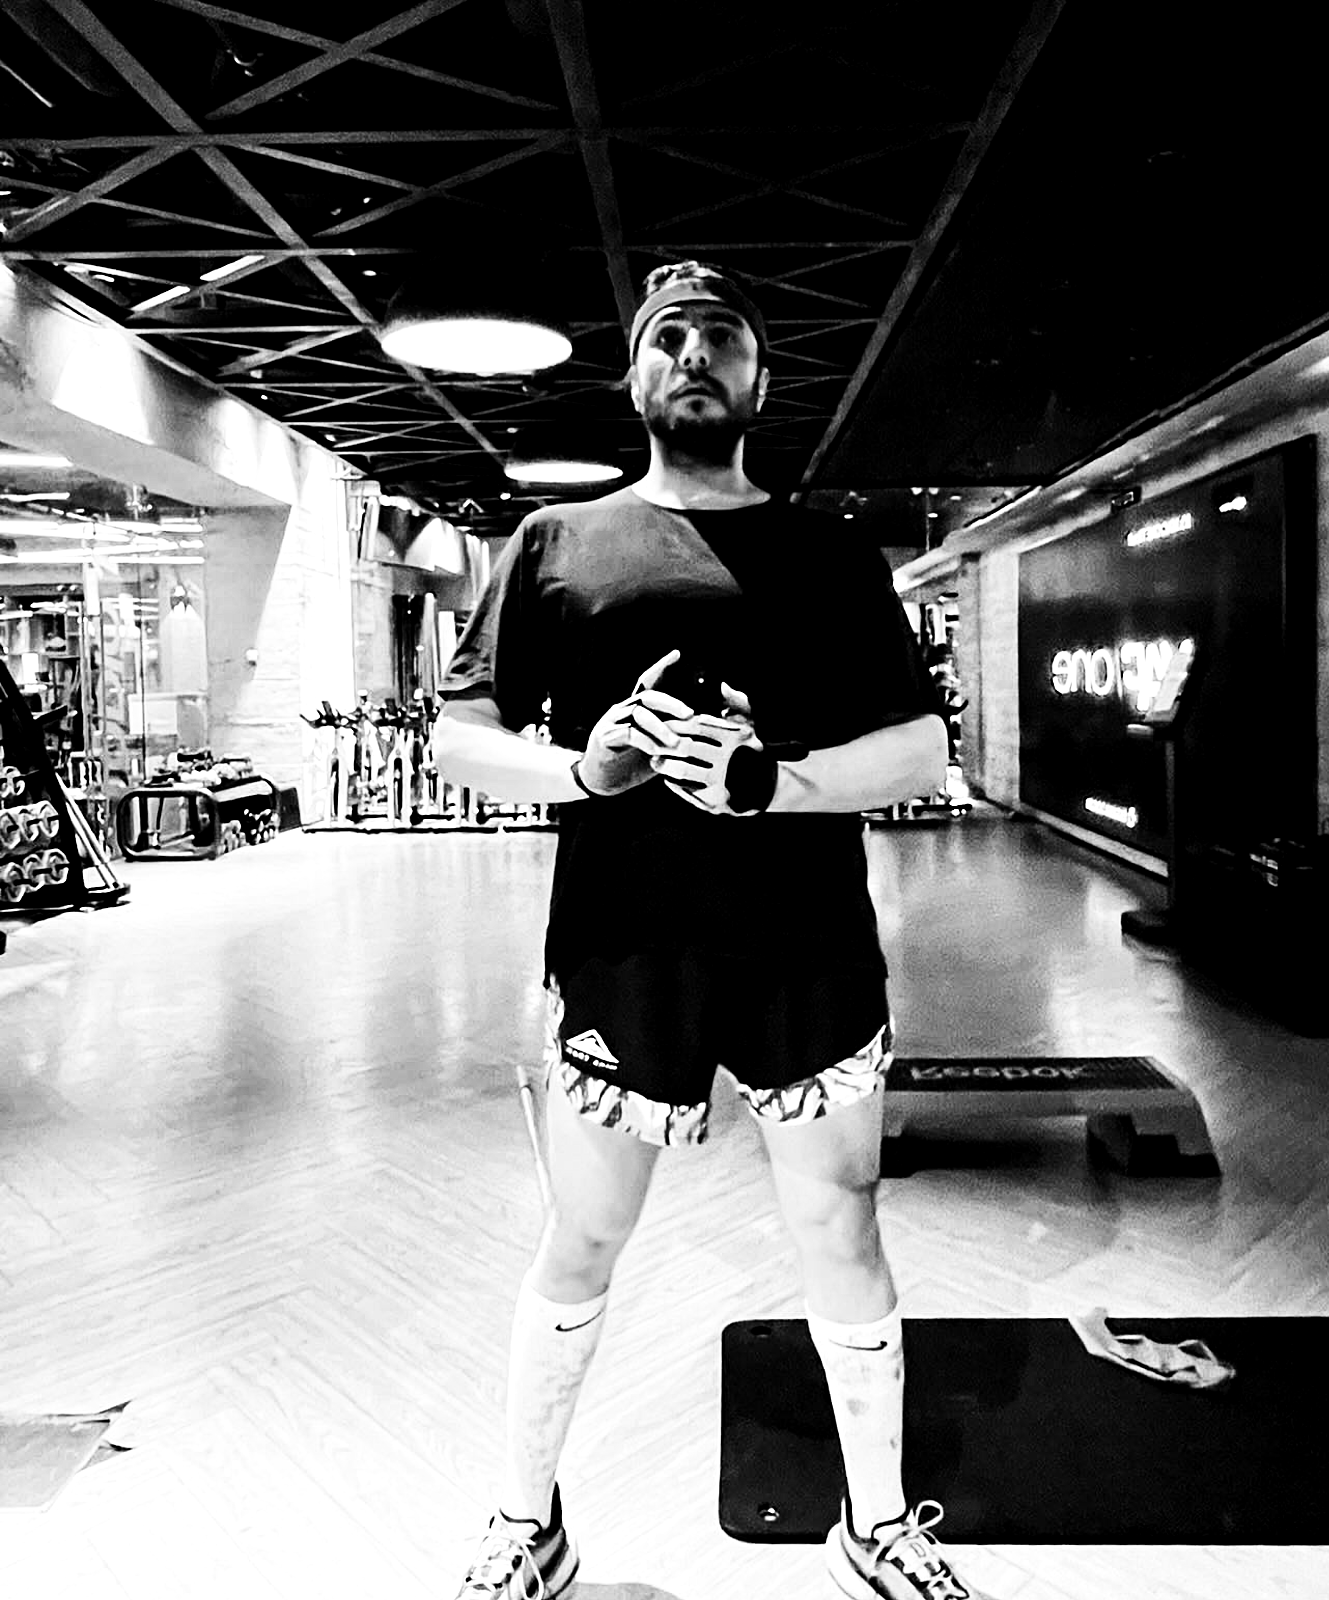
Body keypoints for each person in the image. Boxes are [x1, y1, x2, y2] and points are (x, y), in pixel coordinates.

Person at [436, 260, 981, 1600]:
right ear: (636, 375)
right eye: (668, 335)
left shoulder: (832, 553)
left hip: (806, 950)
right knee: (580, 1238)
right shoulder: (554, 548)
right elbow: (458, 735)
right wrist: (588, 771)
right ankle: (527, 1524)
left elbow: (919, 746)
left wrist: (771, 782)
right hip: (626, 952)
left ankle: (877, 1522)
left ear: (757, 378)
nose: (693, 352)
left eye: (721, 334)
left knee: (841, 1226)